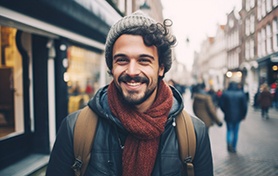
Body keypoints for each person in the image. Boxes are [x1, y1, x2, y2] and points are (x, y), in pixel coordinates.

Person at [46, 11, 213, 176]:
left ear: (161, 68)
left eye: (144, 61)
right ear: (112, 66)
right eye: (122, 60)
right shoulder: (74, 128)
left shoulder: (194, 134)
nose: (132, 71)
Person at [219, 81, 248, 153]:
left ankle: (229, 143)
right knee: (235, 132)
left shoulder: (225, 93)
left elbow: (221, 105)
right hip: (238, 116)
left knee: (229, 130)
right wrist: (243, 115)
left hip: (228, 115)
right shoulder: (241, 94)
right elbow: (244, 106)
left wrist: (225, 111)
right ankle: (234, 147)